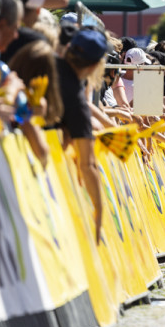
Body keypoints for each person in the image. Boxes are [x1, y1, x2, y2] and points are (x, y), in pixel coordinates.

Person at [56, 28, 112, 242]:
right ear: (94, 66)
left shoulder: (45, 61)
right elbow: (87, 165)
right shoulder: (76, 101)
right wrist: (98, 211)